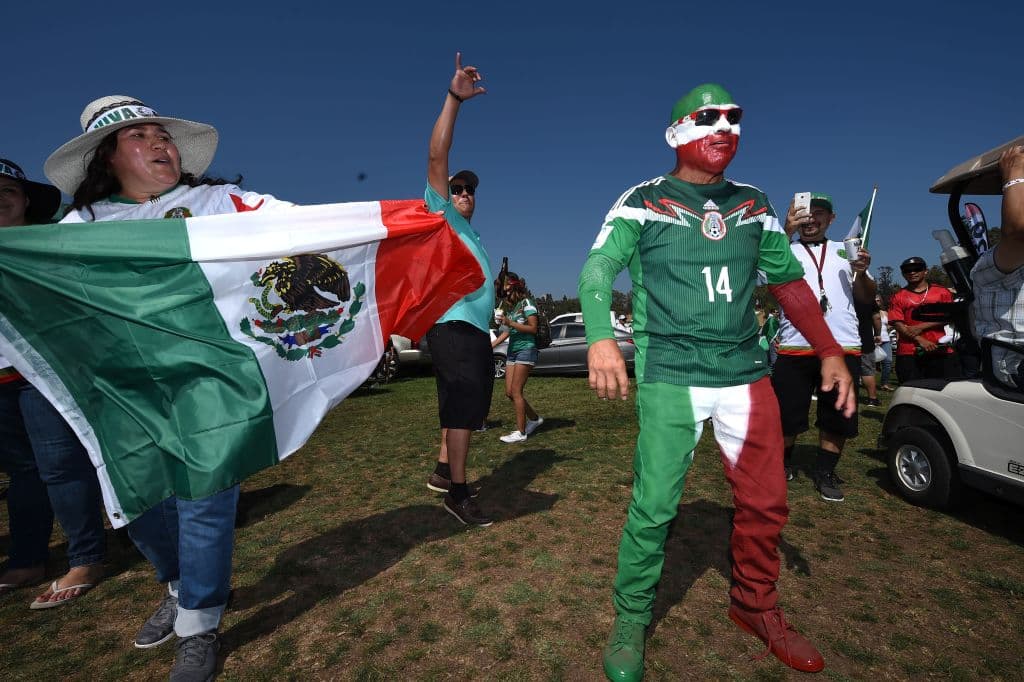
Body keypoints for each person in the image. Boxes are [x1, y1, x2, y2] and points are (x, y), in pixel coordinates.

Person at [579, 83, 855, 679]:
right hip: (671, 371)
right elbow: (600, 265)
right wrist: (599, 335)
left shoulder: (754, 204)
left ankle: (755, 605)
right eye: (708, 117)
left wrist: (830, 349)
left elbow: (788, 284)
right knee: (655, 504)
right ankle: (631, 616)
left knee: (767, 501)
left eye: (734, 117)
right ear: (676, 132)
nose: (724, 126)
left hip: (744, 372)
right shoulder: (642, 200)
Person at [44, 95, 308, 680]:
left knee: (204, 497)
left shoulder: (216, 201)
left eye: (161, 134)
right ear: (107, 158)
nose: (159, 143)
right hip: (125, 388)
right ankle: (180, 585)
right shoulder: (80, 227)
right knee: (140, 504)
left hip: (209, 378)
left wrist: (394, 218)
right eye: (139, 137)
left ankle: (199, 624)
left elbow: (299, 222)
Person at [0, 159, 107, 607]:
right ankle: (28, 559)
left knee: (61, 465)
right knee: (22, 472)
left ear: (26, 200)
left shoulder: (51, 243)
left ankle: (87, 558)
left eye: (7, 190)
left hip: (43, 371)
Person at [420, 54, 496, 528]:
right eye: (458, 188)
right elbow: (437, 157)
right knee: (465, 402)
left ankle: (444, 471)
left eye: (471, 190)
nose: (465, 194)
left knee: (463, 404)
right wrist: (454, 99)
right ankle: (458, 492)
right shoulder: (442, 214)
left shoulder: (474, 235)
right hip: (452, 324)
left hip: (473, 330)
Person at [773, 192, 876, 502]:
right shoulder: (784, 249)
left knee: (837, 415)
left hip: (842, 346)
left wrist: (861, 272)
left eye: (819, 213)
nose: (811, 219)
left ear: (831, 219)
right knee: (785, 414)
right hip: (795, 344)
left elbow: (866, 297)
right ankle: (782, 465)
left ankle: (825, 471)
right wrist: (785, 231)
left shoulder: (846, 251)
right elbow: (761, 272)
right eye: (805, 213)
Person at [492, 272, 543, 443]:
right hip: (512, 351)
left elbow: (533, 328)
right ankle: (535, 419)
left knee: (516, 392)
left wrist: (510, 322)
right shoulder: (514, 308)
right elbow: (507, 332)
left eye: (506, 289)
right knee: (509, 393)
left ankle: (521, 433)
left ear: (514, 287)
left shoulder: (526, 303)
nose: (504, 294)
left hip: (526, 349)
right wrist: (490, 346)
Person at [888, 256, 956, 382]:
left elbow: (951, 316)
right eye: (907, 270)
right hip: (909, 352)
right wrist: (920, 340)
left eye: (917, 269)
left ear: (925, 271)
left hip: (940, 349)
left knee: (943, 389)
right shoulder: (898, 297)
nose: (912, 272)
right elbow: (897, 324)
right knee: (910, 390)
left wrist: (922, 326)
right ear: (903, 274)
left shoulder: (942, 292)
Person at [876, 296, 894, 390]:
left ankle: (884, 383)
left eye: (878, 300)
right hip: (873, 339)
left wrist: (889, 327)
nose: (876, 302)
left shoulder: (885, 313)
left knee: (888, 361)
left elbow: (890, 324)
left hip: (885, 339)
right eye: (875, 300)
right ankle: (862, 380)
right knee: (869, 363)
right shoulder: (867, 312)